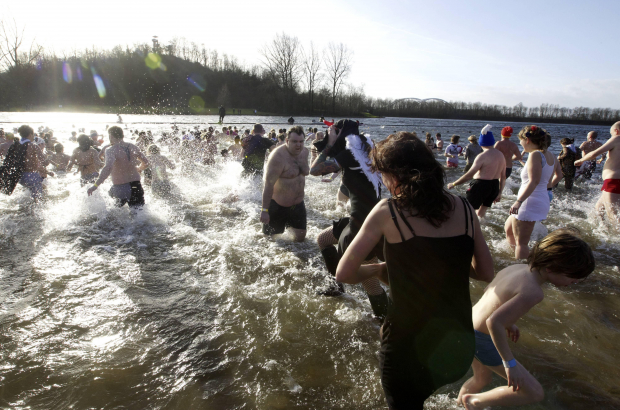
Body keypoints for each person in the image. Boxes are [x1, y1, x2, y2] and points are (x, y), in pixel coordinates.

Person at [335, 132, 494, 409]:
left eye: (383, 174)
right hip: (458, 347)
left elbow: (344, 274)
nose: (384, 182)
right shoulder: (466, 209)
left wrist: (381, 268)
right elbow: (484, 272)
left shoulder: (389, 211)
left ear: (394, 175)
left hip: (407, 349)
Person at [458, 228, 595, 409]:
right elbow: (494, 322)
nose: (575, 281)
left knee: (482, 378)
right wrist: (510, 364)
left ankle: (458, 405)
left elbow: (491, 293)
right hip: (481, 339)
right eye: (574, 276)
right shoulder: (533, 292)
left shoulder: (516, 268)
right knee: (534, 392)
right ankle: (473, 402)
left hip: (467, 323)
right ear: (552, 267)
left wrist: (509, 320)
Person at [310, 119, 389, 318]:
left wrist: (329, 143)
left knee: (370, 282)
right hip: (367, 217)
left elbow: (314, 170)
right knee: (323, 240)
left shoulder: (350, 154)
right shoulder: (366, 149)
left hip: (364, 225)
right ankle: (336, 287)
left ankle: (388, 325)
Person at [505, 125, 555, 259]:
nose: (520, 144)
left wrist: (518, 201)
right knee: (508, 229)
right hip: (540, 198)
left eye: (520, 141)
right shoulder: (550, 155)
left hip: (528, 201)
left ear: (527, 140)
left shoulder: (535, 155)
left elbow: (534, 181)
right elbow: (550, 178)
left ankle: (522, 271)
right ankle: (514, 258)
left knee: (522, 243)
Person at [260, 126, 309, 241]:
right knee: (269, 241)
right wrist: (264, 211)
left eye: (301, 141)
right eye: (294, 141)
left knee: (300, 239)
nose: (298, 145)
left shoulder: (305, 152)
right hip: (278, 206)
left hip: (297, 205)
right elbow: (268, 185)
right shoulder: (277, 157)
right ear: (287, 141)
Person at [448, 125, 506, 218]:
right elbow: (503, 177)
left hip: (480, 186)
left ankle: (469, 229)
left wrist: (454, 184)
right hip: (494, 186)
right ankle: (480, 228)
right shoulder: (501, 155)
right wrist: (500, 192)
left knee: (467, 210)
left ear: (481, 143)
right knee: (480, 214)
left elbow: (469, 175)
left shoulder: (482, 156)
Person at [87, 126, 149, 207]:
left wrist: (95, 185)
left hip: (120, 188)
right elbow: (146, 163)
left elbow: (108, 168)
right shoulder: (133, 146)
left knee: (113, 216)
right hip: (136, 186)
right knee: (139, 216)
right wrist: (139, 168)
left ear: (111, 136)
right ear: (122, 135)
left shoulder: (110, 150)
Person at [574, 121, 620, 224]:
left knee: (613, 216)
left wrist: (581, 160)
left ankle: (616, 239)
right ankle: (602, 234)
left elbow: (594, 154)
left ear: (616, 131)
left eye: (611, 133)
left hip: (613, 181)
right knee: (598, 210)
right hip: (615, 181)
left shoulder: (617, 138)